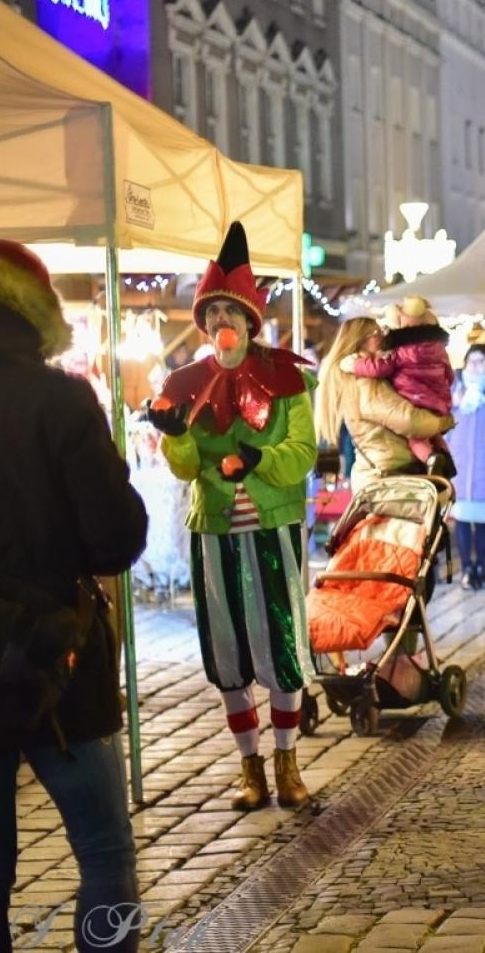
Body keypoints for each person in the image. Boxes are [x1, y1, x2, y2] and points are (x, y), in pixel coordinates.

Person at [0, 241, 149, 953]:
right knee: (103, 856)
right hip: (60, 665)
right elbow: (115, 540)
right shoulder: (60, 398)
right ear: (36, 312)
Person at [145, 224, 319, 811]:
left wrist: (258, 458)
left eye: (231, 310)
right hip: (214, 531)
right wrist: (175, 438)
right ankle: (250, 769)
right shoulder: (185, 383)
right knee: (228, 651)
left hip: (273, 526)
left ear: (250, 320)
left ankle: (288, 762)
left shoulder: (289, 379)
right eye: (212, 310)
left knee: (282, 646)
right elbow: (187, 468)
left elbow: (301, 453)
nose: (222, 319)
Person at [345, 295, 454, 474]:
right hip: (385, 472)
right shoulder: (365, 386)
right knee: (424, 435)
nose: (382, 336)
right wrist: (443, 419)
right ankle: (439, 458)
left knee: (418, 438)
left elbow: (380, 368)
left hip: (414, 401)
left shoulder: (398, 353)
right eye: (375, 333)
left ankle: (432, 458)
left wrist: (354, 365)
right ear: (359, 343)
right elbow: (410, 422)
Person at [448, 342, 485, 589]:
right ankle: (467, 569)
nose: (477, 366)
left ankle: (481, 565)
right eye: (472, 361)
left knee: (480, 519)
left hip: (483, 463)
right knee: (461, 520)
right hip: (460, 463)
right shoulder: (456, 391)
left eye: (482, 361)